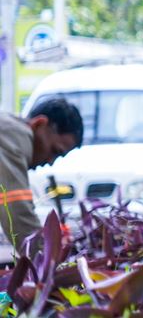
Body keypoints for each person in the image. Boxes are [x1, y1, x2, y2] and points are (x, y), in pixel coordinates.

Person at [0, 98, 83, 249]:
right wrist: (50, 261)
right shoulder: (15, 136)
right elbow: (18, 212)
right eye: (55, 151)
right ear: (40, 124)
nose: (50, 162)